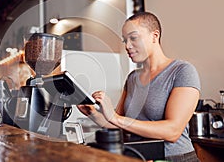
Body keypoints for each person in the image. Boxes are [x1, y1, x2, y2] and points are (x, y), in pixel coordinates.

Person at [77, 12, 201, 162]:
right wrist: (93, 114)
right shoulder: (132, 78)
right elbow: (118, 126)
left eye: (133, 38)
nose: (127, 46)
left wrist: (115, 117)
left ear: (155, 36)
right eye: (125, 40)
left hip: (175, 158)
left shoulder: (182, 71)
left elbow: (172, 131)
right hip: (139, 157)